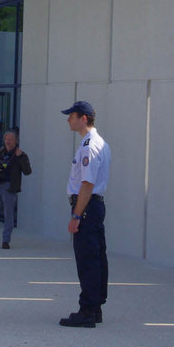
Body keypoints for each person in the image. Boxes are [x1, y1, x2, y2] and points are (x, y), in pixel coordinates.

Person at [59, 101, 111, 328]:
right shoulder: (99, 143)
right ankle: (95, 306)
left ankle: (87, 311)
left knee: (87, 259)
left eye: (72, 115)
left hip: (86, 207)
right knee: (97, 257)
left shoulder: (89, 146)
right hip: (94, 206)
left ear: (84, 118)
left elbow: (87, 184)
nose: (68, 119)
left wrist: (76, 215)